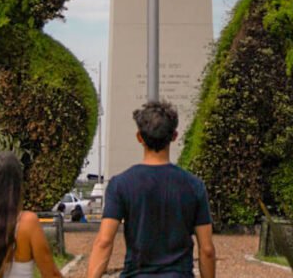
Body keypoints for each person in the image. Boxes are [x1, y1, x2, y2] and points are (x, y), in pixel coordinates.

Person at [86, 100, 216, 278]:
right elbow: (207, 249)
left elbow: (104, 241)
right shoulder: (194, 186)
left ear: (139, 137)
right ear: (174, 136)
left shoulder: (120, 184)